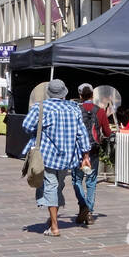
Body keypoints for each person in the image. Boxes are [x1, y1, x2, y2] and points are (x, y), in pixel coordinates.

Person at [21, 80, 92, 237]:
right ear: (64, 93)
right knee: (58, 185)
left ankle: (54, 226)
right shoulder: (74, 108)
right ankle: (51, 219)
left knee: (52, 187)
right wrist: (86, 154)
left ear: (49, 92)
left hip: (47, 155)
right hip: (68, 156)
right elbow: (82, 133)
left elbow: (26, 126)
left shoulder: (41, 107)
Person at [72, 84, 112, 227]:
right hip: (94, 151)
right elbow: (107, 132)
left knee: (77, 180)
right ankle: (89, 212)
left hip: (77, 152)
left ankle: (83, 206)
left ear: (80, 96)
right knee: (91, 182)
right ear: (92, 96)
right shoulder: (100, 111)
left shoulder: (75, 110)